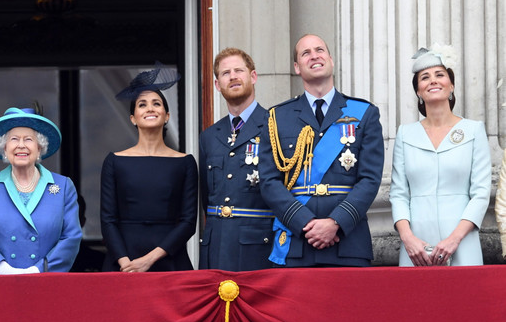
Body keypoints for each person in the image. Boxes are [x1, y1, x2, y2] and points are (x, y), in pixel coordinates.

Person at [258, 34, 384, 267]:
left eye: (319, 50)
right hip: (297, 242)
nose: (314, 56)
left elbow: (370, 179)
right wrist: (304, 223)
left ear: (331, 60)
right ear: (297, 67)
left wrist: (336, 222)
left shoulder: (364, 113)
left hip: (348, 242)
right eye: (305, 53)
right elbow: (268, 181)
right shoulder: (277, 117)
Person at [391, 44, 490, 266]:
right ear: (418, 90)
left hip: (461, 241)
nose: (433, 80)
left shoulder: (473, 130)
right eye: (424, 77)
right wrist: (408, 239)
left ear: (451, 84)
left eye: (440, 74)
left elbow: (481, 193)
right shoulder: (405, 134)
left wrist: (454, 239)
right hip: (416, 245)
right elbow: (398, 194)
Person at [100, 62, 197, 272]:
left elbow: (189, 222)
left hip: (170, 260)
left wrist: (149, 260)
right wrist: (126, 263)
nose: (150, 108)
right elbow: (108, 220)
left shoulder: (185, 162)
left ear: (167, 116)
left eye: (157, 103)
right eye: (142, 104)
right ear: (133, 118)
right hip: (123, 262)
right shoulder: (114, 161)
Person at [0, 107, 82, 274]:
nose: (21, 145)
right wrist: (2, 268)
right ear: (5, 148)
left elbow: (71, 238)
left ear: (40, 148)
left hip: (47, 282)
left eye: (28, 139)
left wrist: (38, 269)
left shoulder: (63, 186)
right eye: (14, 139)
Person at [198, 48, 274, 271]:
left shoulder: (275, 126)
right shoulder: (209, 136)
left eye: (238, 70)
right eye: (225, 73)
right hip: (216, 247)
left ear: (253, 76)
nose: (232, 77)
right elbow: (207, 198)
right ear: (217, 84)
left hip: (259, 248)